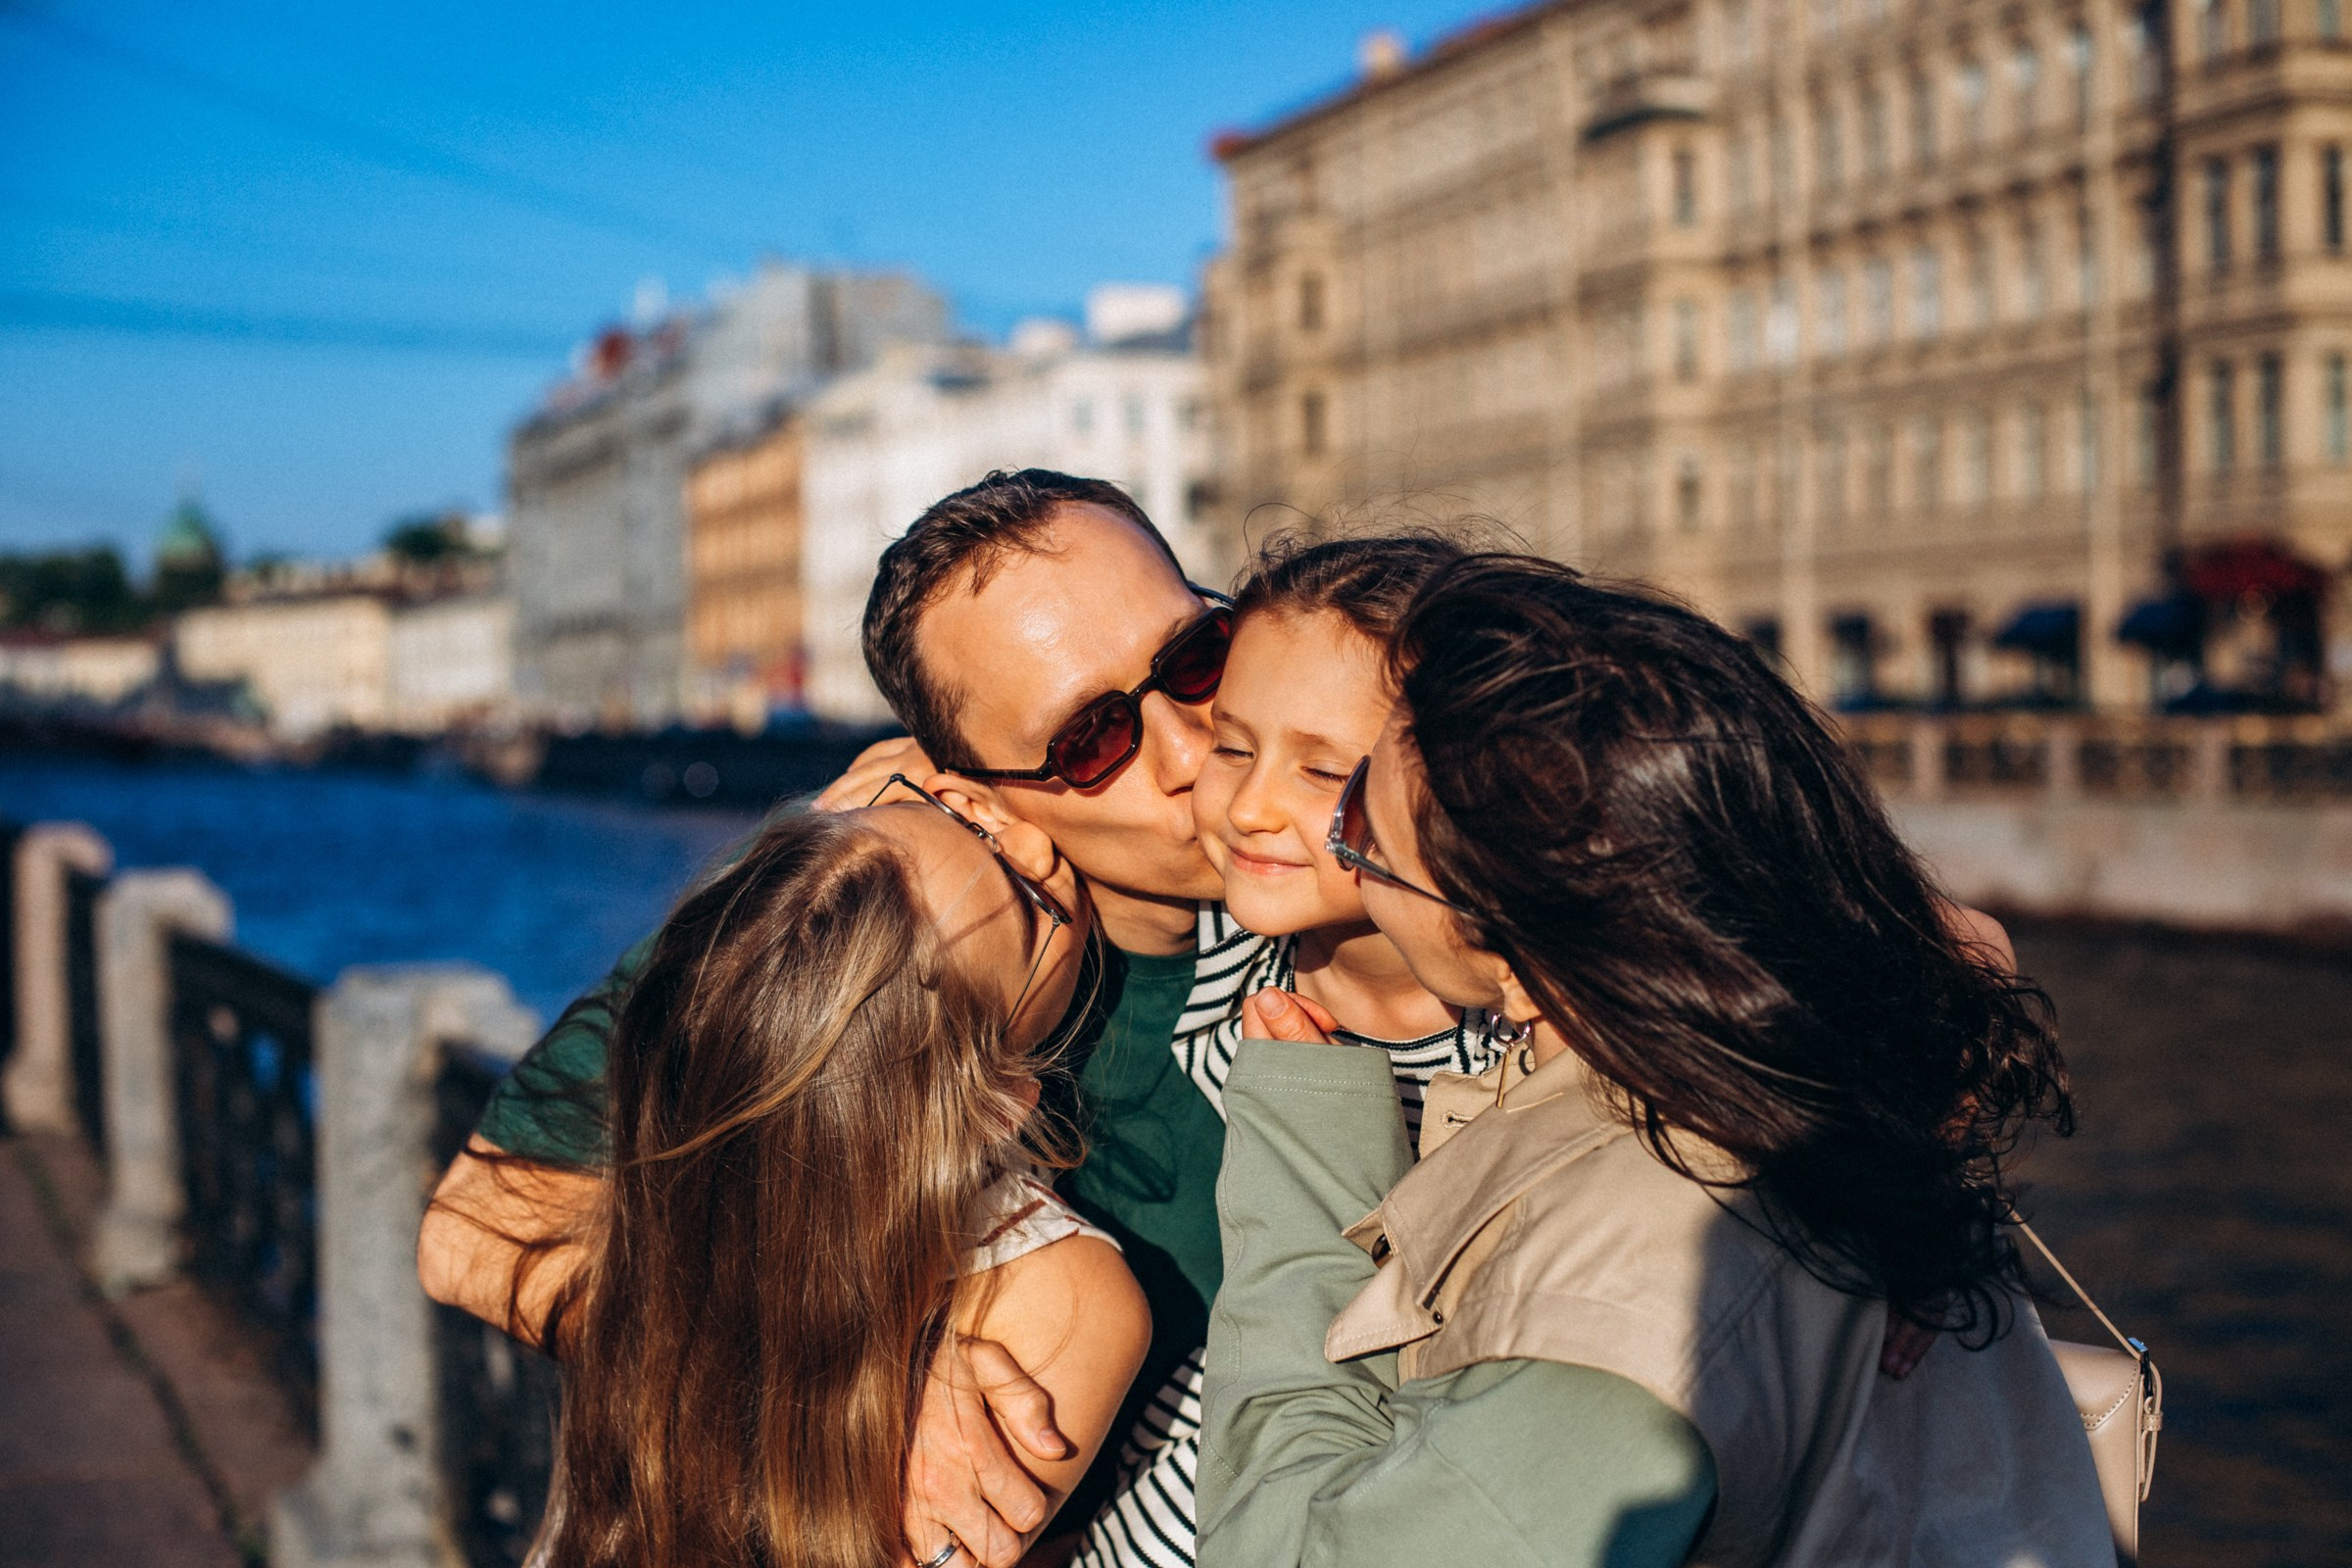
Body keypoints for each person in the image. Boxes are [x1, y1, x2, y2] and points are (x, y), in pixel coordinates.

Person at [1202, 557, 2112, 1566]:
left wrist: (1303, 1157)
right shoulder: (1750, 1043)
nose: (1271, 816)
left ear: (1520, 965)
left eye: (1362, 827)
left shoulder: (1620, 1331)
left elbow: (1280, 1552)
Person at [420, 470, 1250, 1566]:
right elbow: (479, 1233)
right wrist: (854, 1397)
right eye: (1093, 739)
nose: (1193, 751)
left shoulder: (1387, 861)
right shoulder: (874, 921)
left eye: (1197, 659)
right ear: (962, 786)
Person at [531, 793, 1148, 1568]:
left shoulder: (668, 1218)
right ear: (998, 1105)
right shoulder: (1067, 1299)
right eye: (1030, 906)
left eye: (959, 812)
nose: (1032, 838)